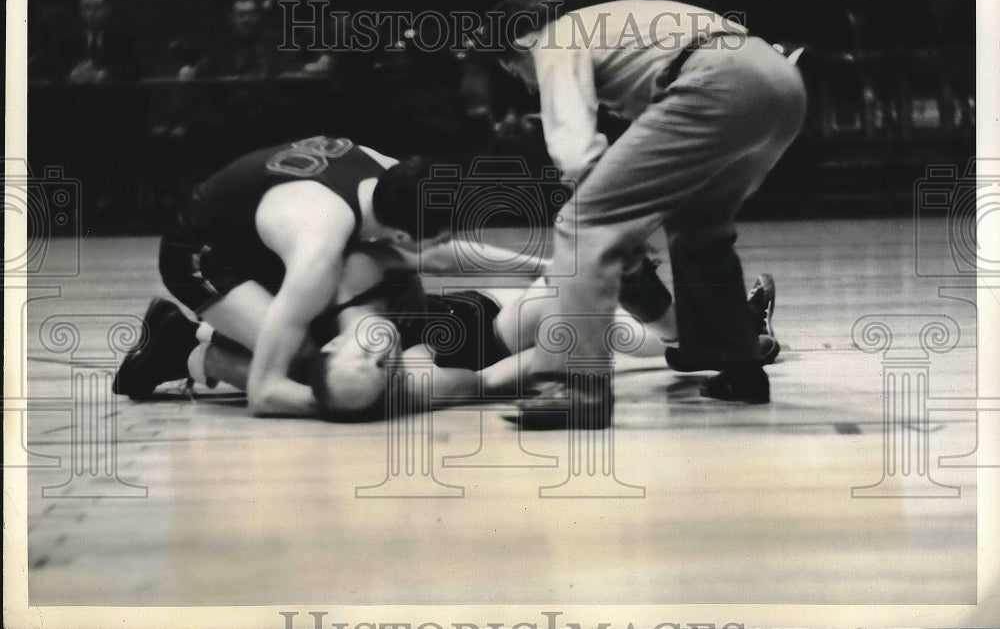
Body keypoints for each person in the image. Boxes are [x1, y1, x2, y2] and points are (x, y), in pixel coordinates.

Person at [474, 0, 806, 419]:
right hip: (779, 81)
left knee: (581, 221)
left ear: (521, 39)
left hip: (717, 82)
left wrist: (609, 224)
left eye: (517, 69)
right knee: (700, 229)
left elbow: (574, 151)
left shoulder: (557, 36)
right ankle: (740, 368)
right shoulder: (617, 27)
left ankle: (579, 386)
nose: (528, 84)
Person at [113, 237, 778, 420]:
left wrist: (549, 265)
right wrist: (551, 360)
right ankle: (187, 352)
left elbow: (446, 254)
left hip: (482, 311)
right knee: (575, 329)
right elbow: (485, 382)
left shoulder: (369, 317)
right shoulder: (401, 378)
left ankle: (698, 339)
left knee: (580, 321)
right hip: (482, 333)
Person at [112, 136, 451, 417]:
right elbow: (265, 394)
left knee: (348, 337)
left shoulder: (392, 175)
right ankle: (182, 349)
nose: (447, 243)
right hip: (197, 254)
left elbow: (436, 257)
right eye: (441, 238)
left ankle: (205, 336)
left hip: (254, 230)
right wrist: (372, 402)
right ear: (404, 236)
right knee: (315, 365)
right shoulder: (319, 250)